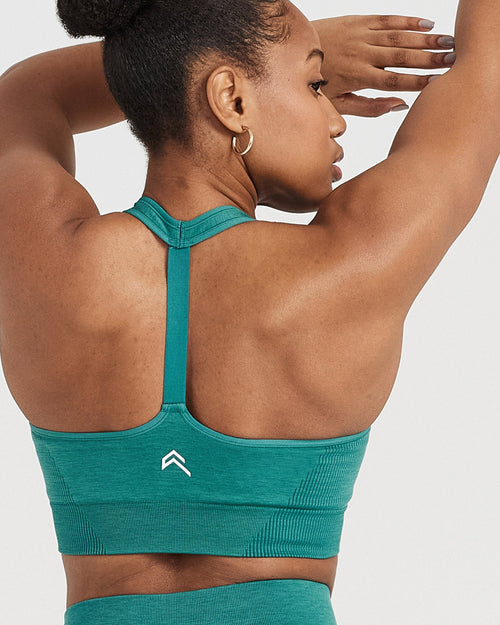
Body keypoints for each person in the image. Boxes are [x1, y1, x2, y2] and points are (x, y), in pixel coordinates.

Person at [0, 0, 497, 624]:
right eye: (315, 83)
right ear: (231, 100)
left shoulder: (44, 258)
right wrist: (209, 59)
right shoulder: (349, 263)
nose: (335, 119)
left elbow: (24, 94)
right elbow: (489, 61)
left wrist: (181, 63)